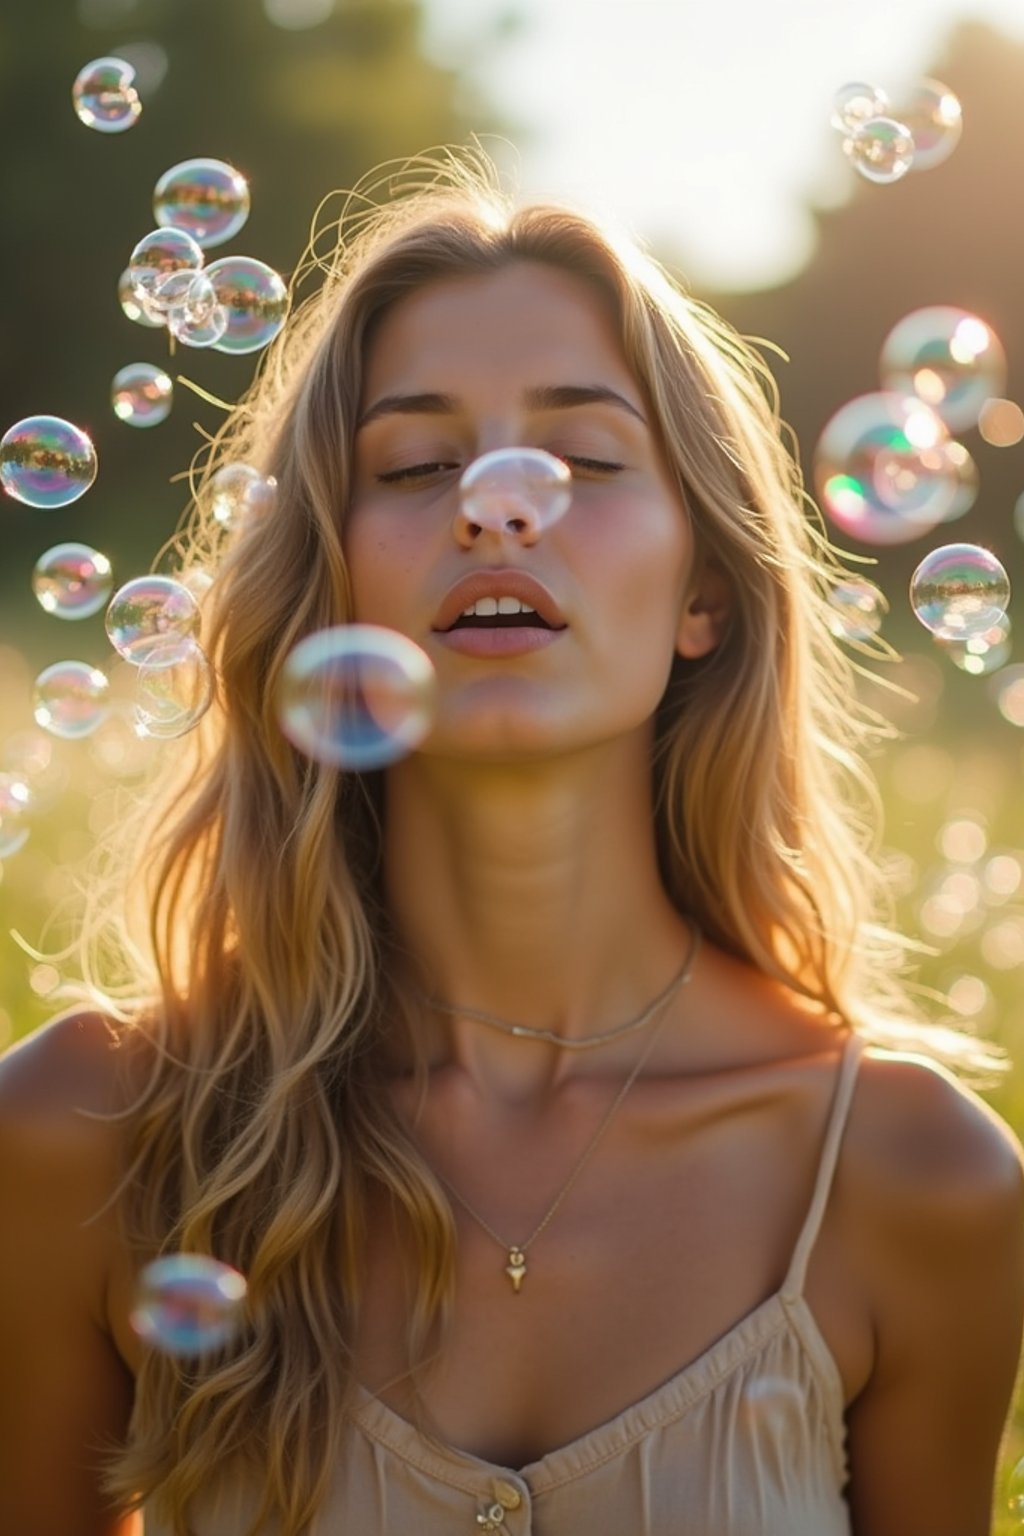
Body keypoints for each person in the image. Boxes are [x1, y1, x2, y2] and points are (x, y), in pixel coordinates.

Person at [1, 142, 1023, 1536]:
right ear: (322, 588)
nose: (497, 504)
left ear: (703, 597)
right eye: (417, 463)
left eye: (584, 457)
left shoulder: (915, 1180)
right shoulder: (89, 1136)